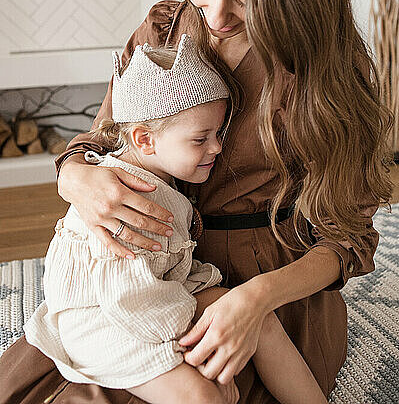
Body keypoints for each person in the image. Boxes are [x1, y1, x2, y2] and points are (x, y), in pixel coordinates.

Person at [0, 0, 393, 404]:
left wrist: (255, 299)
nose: (215, 14)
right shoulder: (166, 30)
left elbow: (349, 238)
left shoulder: (330, 67)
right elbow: (106, 138)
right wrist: (74, 177)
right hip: (149, 260)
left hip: (261, 276)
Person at [22, 35, 330, 404]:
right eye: (201, 139)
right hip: (102, 319)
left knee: (257, 319)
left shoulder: (161, 180)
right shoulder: (129, 200)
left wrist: (217, 301)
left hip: (155, 293)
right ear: (145, 140)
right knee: (203, 395)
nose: (216, 147)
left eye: (219, 134)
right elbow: (128, 299)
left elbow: (168, 268)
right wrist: (188, 352)